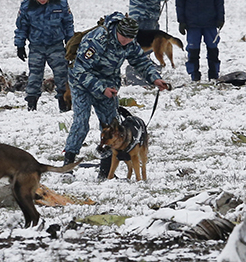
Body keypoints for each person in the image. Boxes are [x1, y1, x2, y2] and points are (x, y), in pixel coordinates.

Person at [62, 13, 171, 179]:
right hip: (82, 83)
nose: (126, 41)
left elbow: (140, 61)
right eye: (123, 37)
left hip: (108, 83)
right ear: (117, 31)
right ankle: (67, 167)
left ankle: (105, 172)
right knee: (81, 122)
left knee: (111, 125)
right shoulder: (97, 40)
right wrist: (100, 88)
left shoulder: (130, 41)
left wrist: (155, 78)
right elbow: (79, 70)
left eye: (130, 38)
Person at [14, 0, 75, 112]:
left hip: (56, 45)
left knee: (62, 76)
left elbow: (68, 24)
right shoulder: (27, 5)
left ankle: (64, 106)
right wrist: (20, 45)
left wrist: (71, 44)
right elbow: (21, 27)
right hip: (36, 46)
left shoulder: (61, 3)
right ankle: (31, 106)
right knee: (34, 77)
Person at [175, 0, 225, 82]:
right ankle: (194, 75)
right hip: (192, 23)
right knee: (193, 51)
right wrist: (181, 21)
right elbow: (180, 2)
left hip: (210, 22)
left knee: (213, 50)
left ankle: (214, 75)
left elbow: (219, 0)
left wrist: (220, 18)